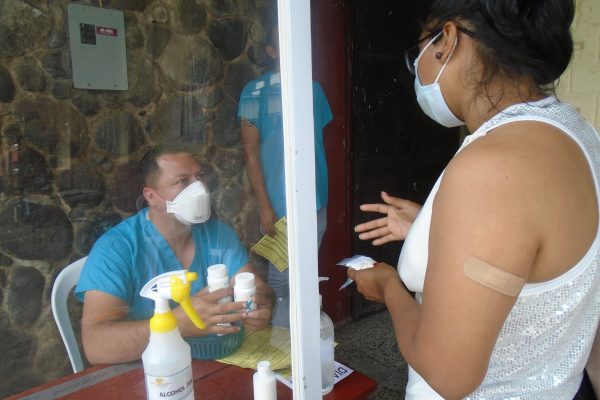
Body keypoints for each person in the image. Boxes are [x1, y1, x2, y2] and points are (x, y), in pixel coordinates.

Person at [350, 1, 600, 399]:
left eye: (416, 55)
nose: (417, 71)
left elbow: (449, 373)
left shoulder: (493, 167)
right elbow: (535, 257)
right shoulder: (579, 133)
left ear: (446, 41)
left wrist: (388, 287)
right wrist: (432, 226)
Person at [76, 146, 273, 365]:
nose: (199, 188)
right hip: (149, 376)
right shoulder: (116, 249)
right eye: (183, 181)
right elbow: (96, 346)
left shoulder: (218, 235)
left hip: (215, 363)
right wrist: (176, 323)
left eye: (199, 177)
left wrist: (260, 304)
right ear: (152, 196)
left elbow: (255, 287)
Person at [238, 25, 332, 328]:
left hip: (315, 198)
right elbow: (250, 152)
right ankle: (280, 343)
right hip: (279, 204)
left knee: (303, 274)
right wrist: (265, 205)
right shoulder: (255, 92)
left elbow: (314, 141)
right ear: (272, 51)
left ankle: (300, 341)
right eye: (284, 45)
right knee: (280, 281)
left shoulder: (313, 90)